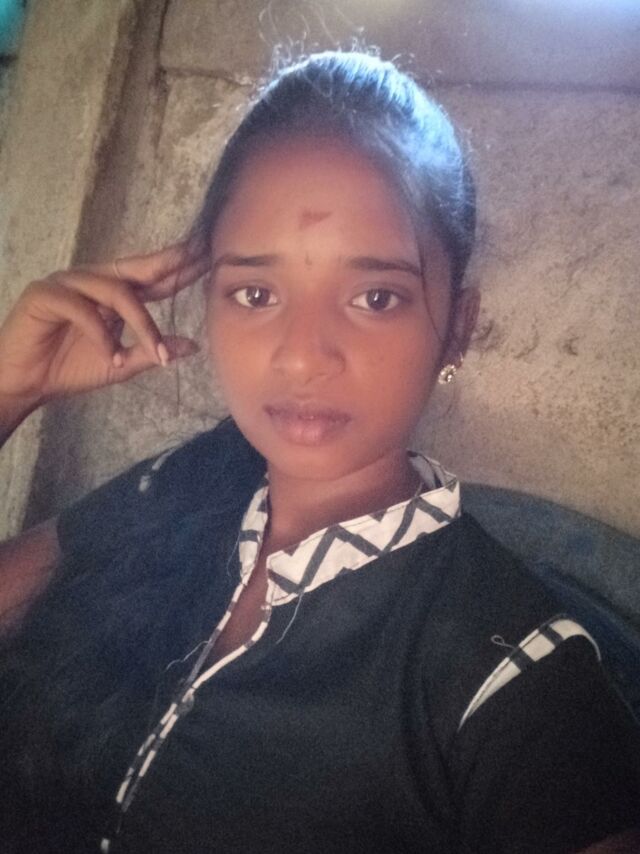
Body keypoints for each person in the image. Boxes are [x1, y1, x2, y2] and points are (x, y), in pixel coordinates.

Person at [0, 50, 638, 854]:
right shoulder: (194, 480)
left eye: (375, 297)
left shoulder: (513, 681)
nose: (303, 357)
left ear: (457, 327)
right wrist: (9, 389)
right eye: (256, 293)